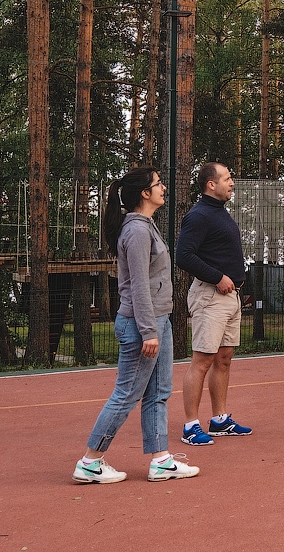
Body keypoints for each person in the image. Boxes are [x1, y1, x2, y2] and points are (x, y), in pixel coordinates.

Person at [73, 167, 199, 484]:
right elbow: (139, 287)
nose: (163, 188)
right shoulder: (138, 232)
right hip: (143, 324)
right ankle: (90, 462)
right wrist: (149, 332)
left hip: (157, 320)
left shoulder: (145, 226)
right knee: (126, 395)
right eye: (158, 184)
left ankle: (161, 461)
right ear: (145, 193)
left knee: (157, 394)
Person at [176, 162, 253, 445]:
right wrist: (218, 277)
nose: (232, 183)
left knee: (224, 359)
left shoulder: (219, 212)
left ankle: (219, 420)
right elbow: (184, 256)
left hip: (229, 298)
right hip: (210, 296)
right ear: (211, 184)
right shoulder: (198, 216)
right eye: (227, 178)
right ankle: (189, 426)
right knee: (202, 361)